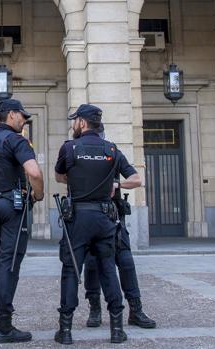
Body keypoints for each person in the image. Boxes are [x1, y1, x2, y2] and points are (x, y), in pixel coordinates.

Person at [54, 104, 133, 344]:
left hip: (78, 218)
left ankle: (65, 331)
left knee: (71, 270)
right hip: (104, 218)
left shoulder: (70, 147)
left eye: (75, 120)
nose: (73, 124)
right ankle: (117, 330)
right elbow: (136, 178)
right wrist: (115, 185)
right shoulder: (111, 149)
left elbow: (59, 176)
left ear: (82, 122)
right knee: (108, 268)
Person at [0, 99, 44, 343]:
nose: (24, 121)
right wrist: (39, 194)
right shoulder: (15, 140)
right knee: (9, 263)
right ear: (11, 115)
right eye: (22, 116)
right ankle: (4, 326)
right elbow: (34, 172)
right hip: (11, 207)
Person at [81, 124, 156, 330]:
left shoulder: (112, 152)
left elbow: (136, 179)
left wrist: (118, 185)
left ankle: (136, 310)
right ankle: (94, 309)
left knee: (126, 262)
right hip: (87, 218)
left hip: (112, 216)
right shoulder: (77, 153)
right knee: (92, 263)